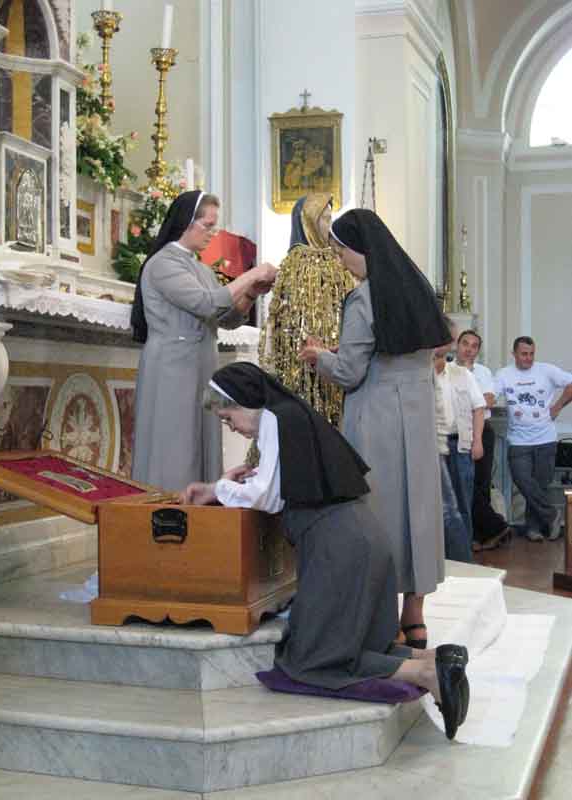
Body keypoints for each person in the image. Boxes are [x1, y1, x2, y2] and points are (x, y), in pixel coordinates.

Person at [182, 362, 470, 741]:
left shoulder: (275, 418)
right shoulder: (292, 415)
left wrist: (216, 488)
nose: (230, 426)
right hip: (363, 536)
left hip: (338, 547)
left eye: (228, 416)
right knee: (360, 643)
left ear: (244, 400)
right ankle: (439, 658)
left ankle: (427, 674)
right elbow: (280, 486)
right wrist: (228, 487)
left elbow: (266, 497)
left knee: (311, 659)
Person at [298, 209, 452, 650]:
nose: (341, 259)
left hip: (378, 414)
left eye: (342, 250)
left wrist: (318, 356)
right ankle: (415, 617)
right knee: (419, 511)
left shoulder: (363, 297)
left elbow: (349, 373)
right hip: (417, 413)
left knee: (379, 513)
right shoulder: (416, 287)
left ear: (361, 248)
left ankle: (383, 620)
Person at [130, 190, 277, 490]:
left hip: (200, 365)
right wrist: (250, 276)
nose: (212, 233)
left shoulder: (200, 268)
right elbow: (206, 303)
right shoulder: (163, 264)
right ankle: (168, 505)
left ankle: (201, 507)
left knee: (202, 444)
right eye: (207, 225)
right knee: (174, 446)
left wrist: (250, 294)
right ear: (187, 222)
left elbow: (227, 318)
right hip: (172, 367)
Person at [259, 193, 354, 425]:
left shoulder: (337, 260)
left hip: (336, 356)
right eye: (325, 219)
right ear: (308, 221)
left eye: (330, 219)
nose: (329, 226)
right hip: (301, 359)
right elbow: (284, 316)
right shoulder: (294, 264)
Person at [494, 336, 572, 542]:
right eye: (524, 354)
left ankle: (533, 528)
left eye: (531, 354)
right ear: (514, 354)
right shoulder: (504, 374)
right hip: (518, 441)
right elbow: (490, 395)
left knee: (539, 486)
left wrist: (558, 406)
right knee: (523, 481)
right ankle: (552, 515)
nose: (528, 358)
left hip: (546, 439)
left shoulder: (546, 370)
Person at [456, 330, 513, 551]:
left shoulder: (482, 371)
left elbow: (488, 400)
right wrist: (474, 400)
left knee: (481, 483)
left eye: (474, 346)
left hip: (482, 431)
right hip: (459, 431)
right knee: (464, 484)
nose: (469, 349)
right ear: (457, 345)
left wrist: (466, 401)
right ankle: (492, 529)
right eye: (465, 344)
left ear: (478, 350)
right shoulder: (448, 369)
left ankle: (485, 534)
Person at [434, 325, 486, 562]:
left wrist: (477, 441)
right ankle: (440, 558)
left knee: (462, 502)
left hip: (459, 445)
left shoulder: (462, 374)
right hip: (432, 446)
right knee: (437, 505)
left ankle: (464, 560)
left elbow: (479, 408)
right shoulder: (420, 375)